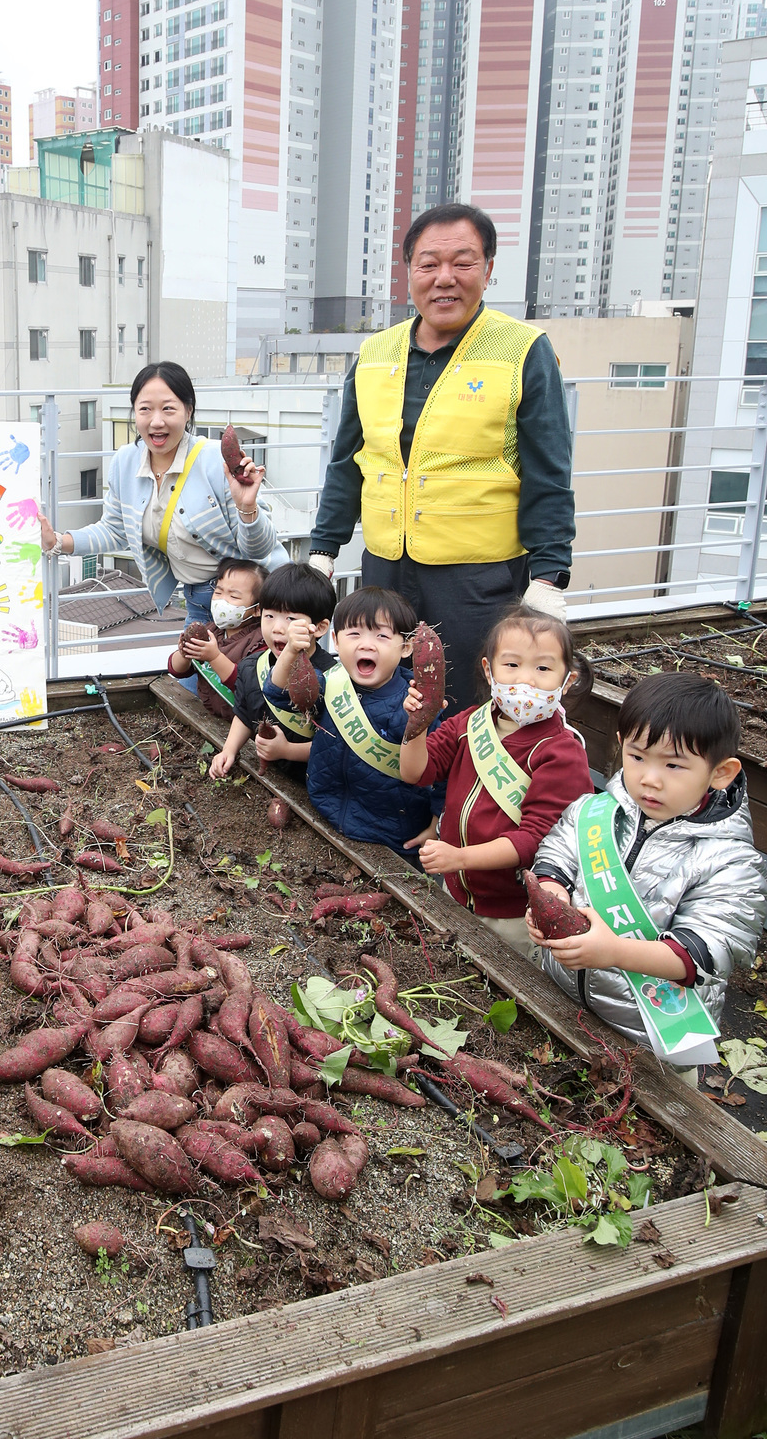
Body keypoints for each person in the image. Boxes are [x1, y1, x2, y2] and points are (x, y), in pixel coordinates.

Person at [308, 203, 576, 709]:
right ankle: (391, 782)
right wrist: (324, 549)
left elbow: (549, 472)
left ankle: (453, 788)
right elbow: (350, 460)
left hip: (479, 575)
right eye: (429, 264)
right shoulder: (375, 354)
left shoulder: (521, 349)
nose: (444, 278)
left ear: (488, 270)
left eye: (463, 262)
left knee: (463, 698)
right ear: (409, 272)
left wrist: (548, 576)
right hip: (386, 565)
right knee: (384, 687)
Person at [527, 673, 767, 1066]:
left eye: (674, 765)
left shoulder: (731, 862)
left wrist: (614, 952)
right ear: (621, 745)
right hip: (562, 998)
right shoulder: (598, 809)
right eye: (637, 757)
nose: (649, 779)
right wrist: (551, 897)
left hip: (652, 1039)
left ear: (720, 773)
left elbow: (705, 955)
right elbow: (558, 853)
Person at [398, 606, 594, 961]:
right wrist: (417, 723)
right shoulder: (469, 722)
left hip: (516, 915)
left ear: (568, 680)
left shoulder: (562, 752)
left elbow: (536, 840)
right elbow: (416, 772)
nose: (526, 680)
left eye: (543, 668)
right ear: (490, 670)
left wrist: (459, 857)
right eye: (512, 665)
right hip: (456, 889)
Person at [38, 363, 282, 627]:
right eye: (145, 409)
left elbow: (258, 549)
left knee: (244, 669)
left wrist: (247, 507)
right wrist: (59, 542)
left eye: (168, 408)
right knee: (193, 668)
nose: (156, 421)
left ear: (188, 410)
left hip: (254, 601)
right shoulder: (125, 462)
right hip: (198, 599)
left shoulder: (215, 460)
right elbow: (115, 530)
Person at [298, 587, 445, 862]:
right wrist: (293, 653)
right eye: (354, 634)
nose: (366, 644)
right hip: (322, 812)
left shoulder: (417, 700)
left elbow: (443, 769)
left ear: (406, 647)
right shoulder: (329, 683)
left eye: (381, 635)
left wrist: (437, 824)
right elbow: (279, 696)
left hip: (393, 837)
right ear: (336, 641)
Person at [208, 562, 337, 779]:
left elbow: (336, 746)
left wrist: (286, 751)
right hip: (268, 776)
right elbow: (245, 711)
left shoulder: (333, 678)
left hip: (311, 781)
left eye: (291, 619)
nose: (277, 627)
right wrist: (229, 750)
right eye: (269, 616)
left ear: (320, 627)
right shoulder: (251, 666)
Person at [166, 557, 267, 724]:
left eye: (233, 596)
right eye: (218, 592)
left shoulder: (260, 642)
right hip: (213, 718)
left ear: (257, 609)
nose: (221, 601)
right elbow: (177, 670)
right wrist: (184, 653)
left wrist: (214, 657)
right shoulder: (212, 631)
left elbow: (246, 686)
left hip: (244, 728)